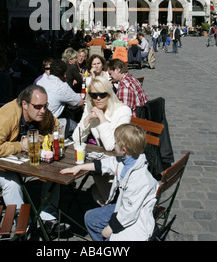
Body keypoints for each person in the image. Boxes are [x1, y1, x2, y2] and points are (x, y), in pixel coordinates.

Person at [0, 85, 69, 233]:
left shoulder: (41, 112)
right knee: (11, 183)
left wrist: (43, 138)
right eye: (38, 107)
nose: (43, 111)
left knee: (54, 171)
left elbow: (56, 129)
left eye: (45, 106)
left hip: (20, 161)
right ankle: (24, 227)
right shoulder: (6, 116)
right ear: (24, 104)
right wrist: (21, 145)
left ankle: (48, 218)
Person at [61, 123, 158, 241]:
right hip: (122, 207)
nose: (113, 144)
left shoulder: (139, 179)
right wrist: (80, 167)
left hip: (135, 217)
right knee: (90, 217)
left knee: (111, 237)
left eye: (116, 143)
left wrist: (111, 228)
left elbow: (130, 212)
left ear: (123, 150)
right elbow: (106, 164)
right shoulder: (125, 160)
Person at [73, 76, 131, 204]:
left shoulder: (122, 111)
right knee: (96, 188)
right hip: (103, 160)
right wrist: (87, 119)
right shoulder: (90, 107)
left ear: (109, 94)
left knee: (98, 189)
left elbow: (111, 145)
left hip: (121, 162)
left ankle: (113, 209)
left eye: (102, 94)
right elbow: (76, 140)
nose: (98, 98)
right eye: (94, 95)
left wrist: (101, 118)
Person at [37, 59, 84, 137]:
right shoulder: (61, 86)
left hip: (37, 121)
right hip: (49, 124)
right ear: (64, 74)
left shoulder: (41, 80)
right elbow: (79, 102)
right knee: (73, 124)